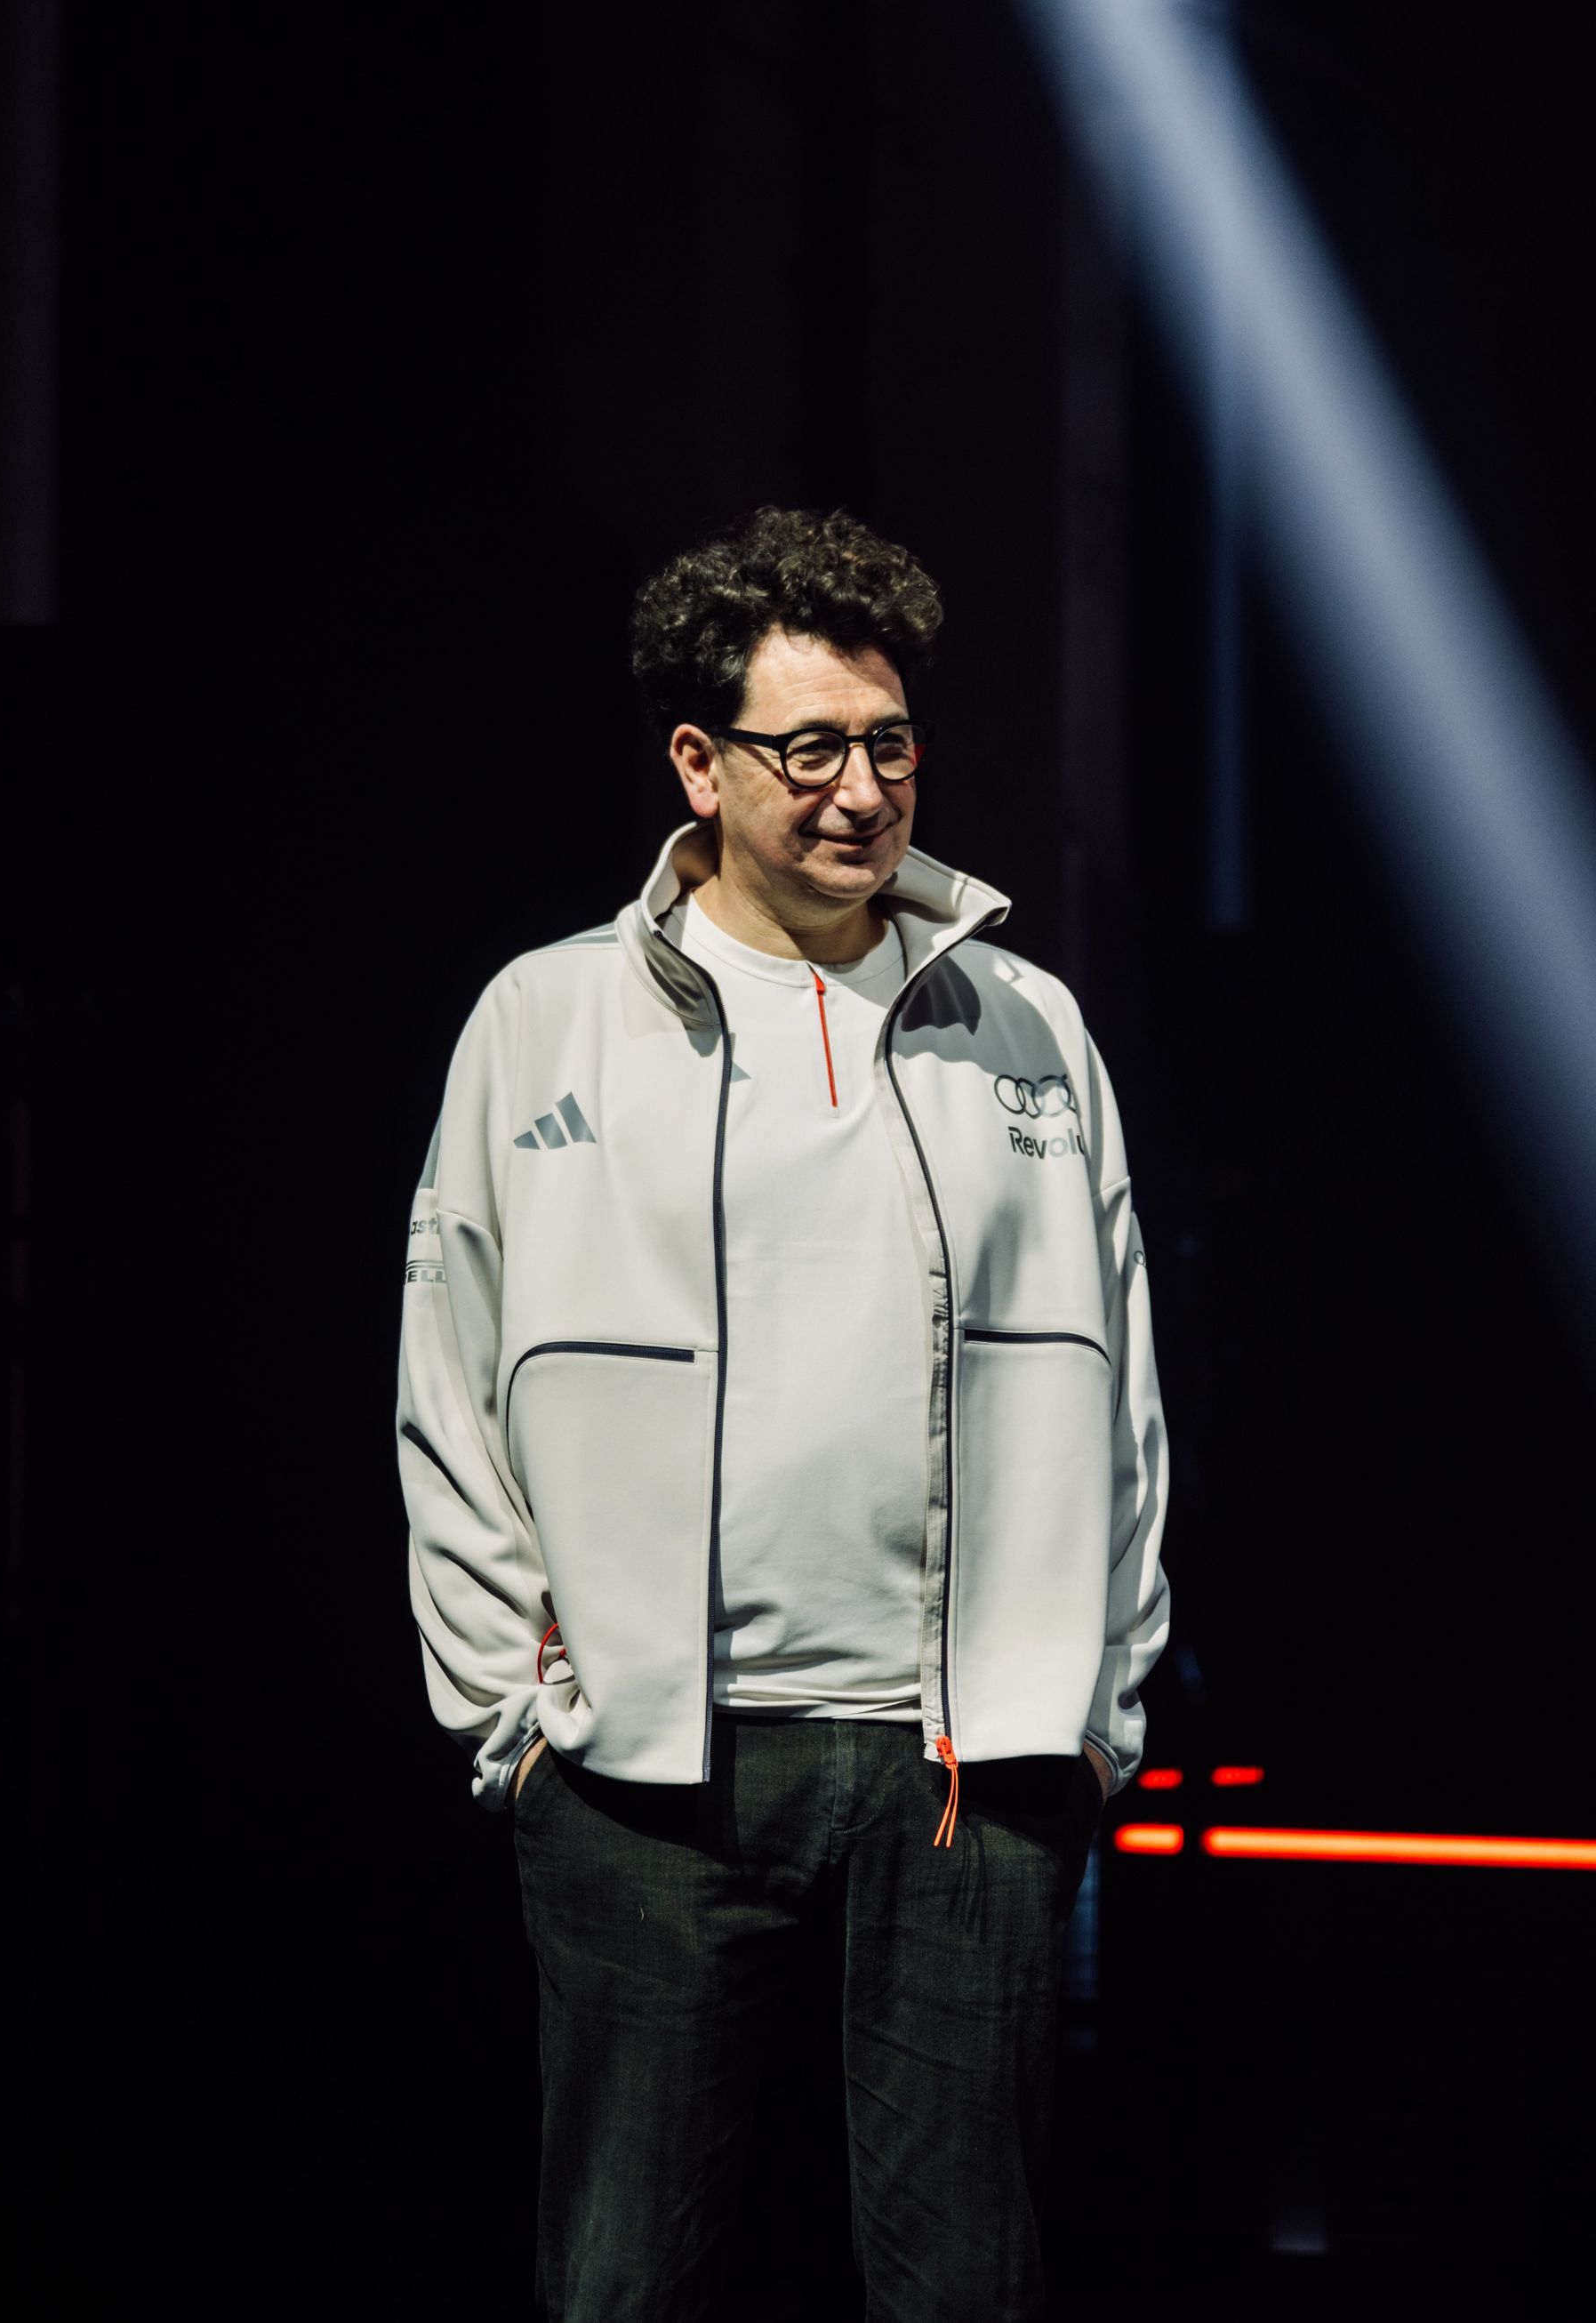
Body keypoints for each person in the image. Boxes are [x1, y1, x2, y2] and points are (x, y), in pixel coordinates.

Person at [396, 505, 1169, 2322]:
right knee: (625, 2279)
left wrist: (1100, 1693)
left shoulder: (1028, 1024)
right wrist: (512, 1708)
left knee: (964, 2286)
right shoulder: (550, 1020)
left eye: (885, 742)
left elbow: (1125, 1379)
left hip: (969, 1764)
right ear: (702, 759)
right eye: (805, 746)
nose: (856, 790)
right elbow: (447, 1371)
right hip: (657, 1768)